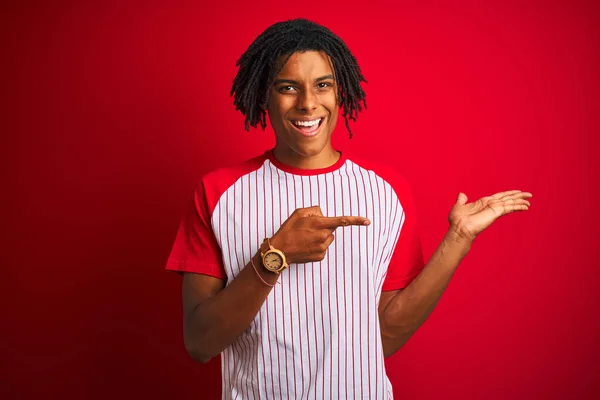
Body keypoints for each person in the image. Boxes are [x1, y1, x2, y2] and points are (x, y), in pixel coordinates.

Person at [165, 18, 532, 399]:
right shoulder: (218, 192)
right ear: (263, 97)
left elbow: (385, 337)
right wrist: (273, 258)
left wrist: (458, 239)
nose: (308, 103)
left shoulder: (385, 191)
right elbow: (200, 343)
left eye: (322, 85)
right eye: (288, 87)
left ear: (341, 94)